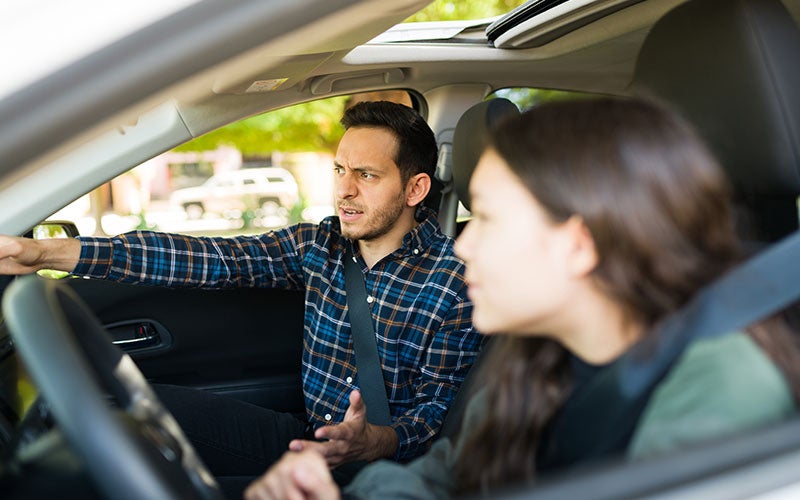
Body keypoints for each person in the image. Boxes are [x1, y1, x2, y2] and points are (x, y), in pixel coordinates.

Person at [243, 96, 800, 500]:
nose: (465, 249)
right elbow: (443, 479)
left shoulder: (722, 392)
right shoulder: (535, 357)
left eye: (488, 219)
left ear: (577, 244)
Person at [0, 101, 481, 490]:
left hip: (381, 472)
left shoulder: (453, 281)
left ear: (415, 188)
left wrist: (372, 440)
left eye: (367, 176)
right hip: (303, 438)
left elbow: (437, 416)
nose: (345, 190)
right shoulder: (320, 245)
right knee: (120, 408)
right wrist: (45, 253)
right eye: (339, 170)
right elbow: (207, 258)